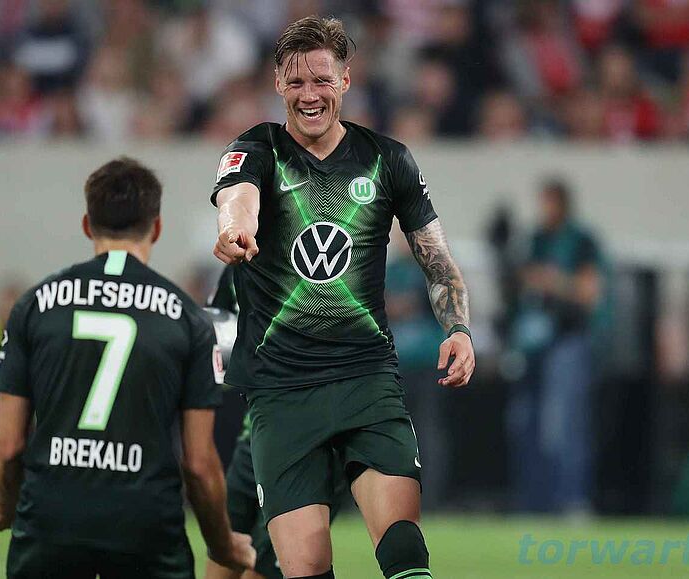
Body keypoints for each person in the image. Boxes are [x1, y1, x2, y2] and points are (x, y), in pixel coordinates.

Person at [211, 17, 474, 579]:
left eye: (322, 80)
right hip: (282, 391)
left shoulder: (388, 159)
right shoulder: (256, 147)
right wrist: (236, 228)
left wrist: (458, 328)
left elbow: (436, 257)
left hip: (366, 380)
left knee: (403, 544)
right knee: (305, 566)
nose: (309, 94)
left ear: (346, 81)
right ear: (278, 83)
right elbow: (238, 198)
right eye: (296, 82)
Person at [0, 157, 255, 578]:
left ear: (87, 225)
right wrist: (224, 547)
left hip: (51, 520)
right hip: (146, 523)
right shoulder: (186, 318)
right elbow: (200, 464)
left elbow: (9, 445)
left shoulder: (35, 305)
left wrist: (5, 505)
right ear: (157, 227)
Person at [203, 267, 348, 579]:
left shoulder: (324, 264)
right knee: (226, 552)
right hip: (256, 436)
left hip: (315, 441)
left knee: (266, 569)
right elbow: (217, 325)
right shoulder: (238, 266)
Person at [507, 177, 603, 514]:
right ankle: (535, 500)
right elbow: (523, 281)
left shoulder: (582, 241)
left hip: (568, 341)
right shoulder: (535, 240)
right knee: (527, 422)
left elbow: (590, 292)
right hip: (535, 342)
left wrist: (555, 281)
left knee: (565, 423)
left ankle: (572, 498)